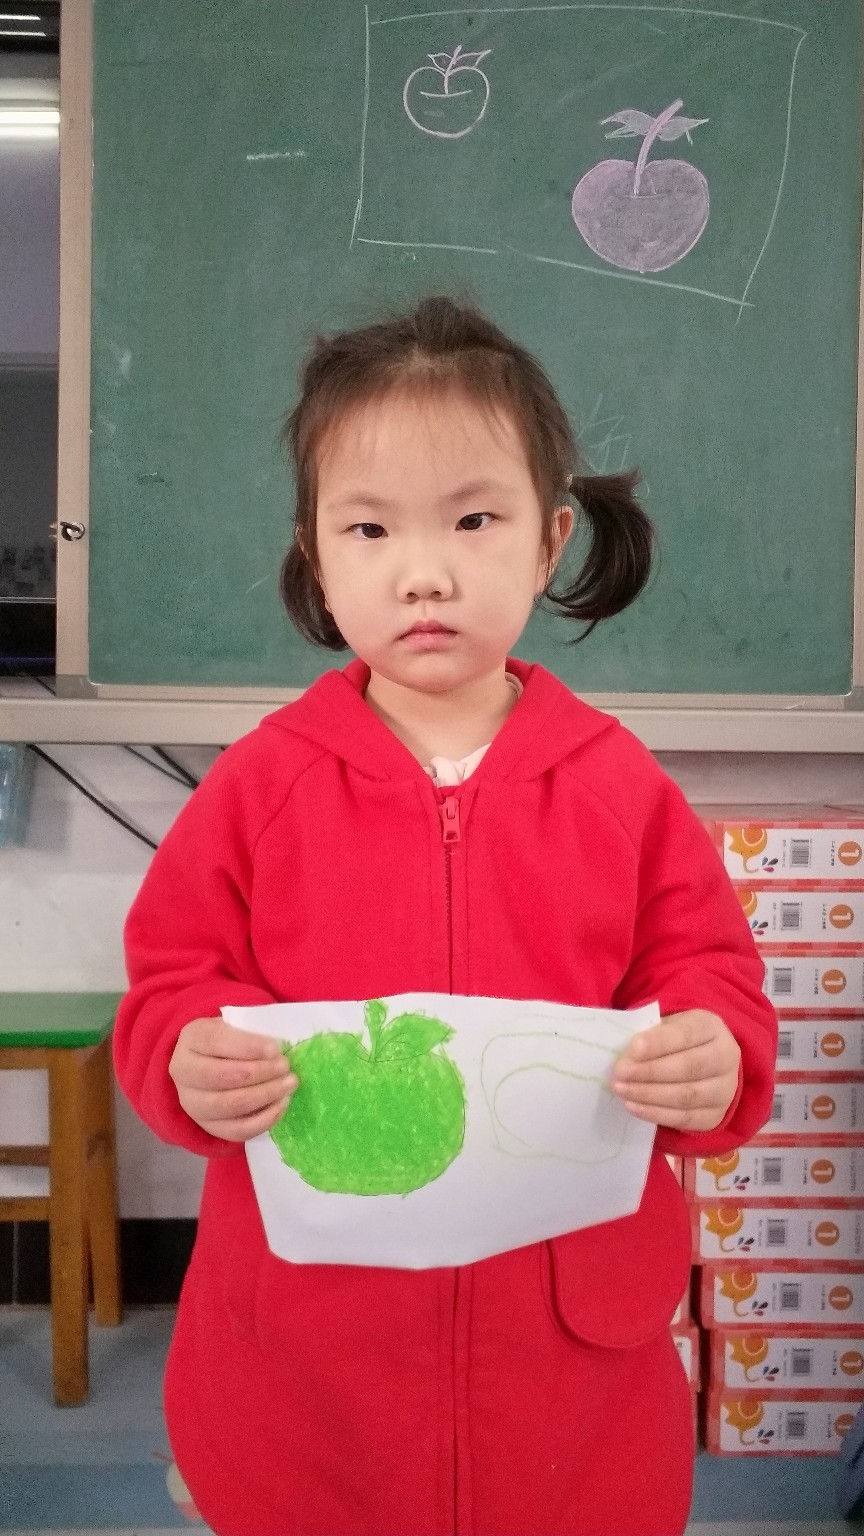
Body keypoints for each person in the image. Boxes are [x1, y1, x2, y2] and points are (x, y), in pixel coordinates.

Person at [113, 295, 777, 1536]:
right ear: (317, 557)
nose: (425, 571)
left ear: (550, 540)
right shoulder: (260, 786)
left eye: (475, 519)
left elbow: (711, 976)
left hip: (567, 1379)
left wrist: (712, 1049)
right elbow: (169, 986)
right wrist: (188, 1053)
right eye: (369, 528)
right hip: (312, 1370)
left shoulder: (620, 786)